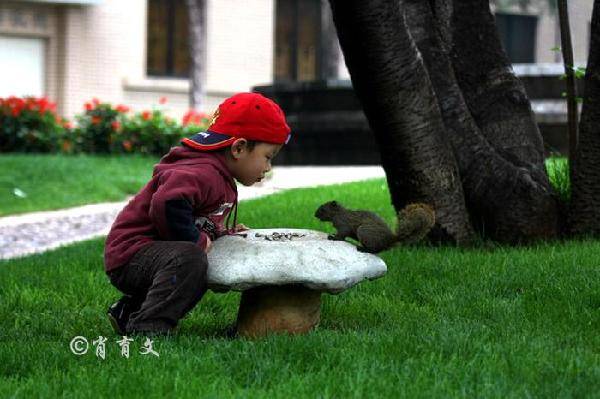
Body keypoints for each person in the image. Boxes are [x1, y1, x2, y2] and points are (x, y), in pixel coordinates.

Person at [103, 92, 291, 336]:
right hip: (131, 254)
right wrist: (197, 240)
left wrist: (222, 233)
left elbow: (196, 217)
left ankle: (129, 312)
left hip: (152, 254)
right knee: (192, 258)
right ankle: (148, 329)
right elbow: (168, 203)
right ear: (239, 148)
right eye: (267, 157)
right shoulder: (203, 172)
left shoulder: (216, 172)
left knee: (196, 256)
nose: (267, 168)